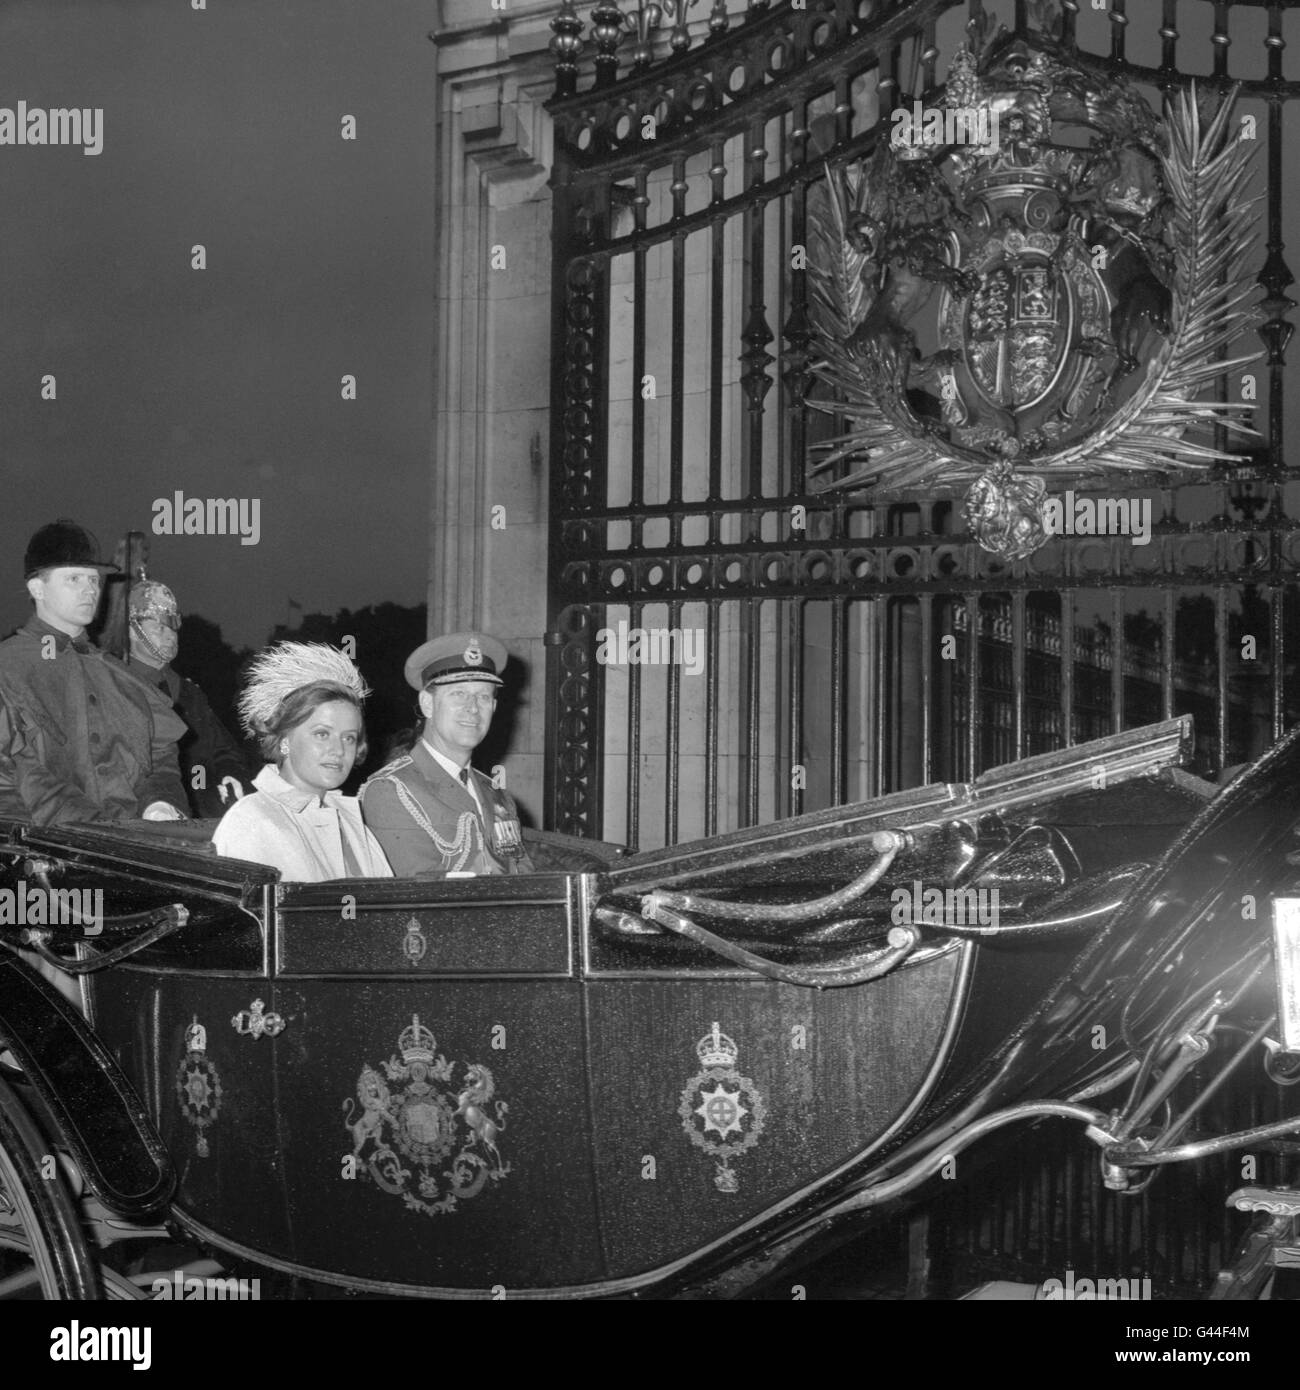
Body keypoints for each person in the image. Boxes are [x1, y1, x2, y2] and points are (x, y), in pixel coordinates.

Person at [0, 520, 188, 825]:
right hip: (45, 854)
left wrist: (160, 804)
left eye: (93, 580)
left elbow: (160, 757)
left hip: (136, 848)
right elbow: (15, 780)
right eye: (74, 578)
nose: (90, 589)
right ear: (37, 588)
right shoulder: (7, 668)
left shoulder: (118, 674)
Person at [213, 642, 392, 881]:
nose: (338, 750)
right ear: (284, 739)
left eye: (349, 737)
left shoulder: (349, 818)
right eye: (322, 734)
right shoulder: (252, 820)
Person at [360, 632, 534, 877]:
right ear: (427, 704)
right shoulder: (392, 790)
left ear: (493, 708)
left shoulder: (496, 795)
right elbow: (419, 895)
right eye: (458, 694)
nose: (472, 708)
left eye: (483, 696)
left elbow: (524, 875)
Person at [127, 578, 254, 818]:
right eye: (160, 627)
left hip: (202, 814)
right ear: (133, 630)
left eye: (173, 626)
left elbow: (224, 749)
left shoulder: (189, 693)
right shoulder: (114, 685)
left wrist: (230, 772)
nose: (170, 636)